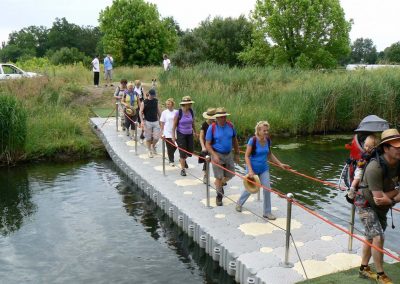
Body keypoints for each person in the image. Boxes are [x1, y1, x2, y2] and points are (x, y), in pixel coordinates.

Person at [356, 128, 400, 284]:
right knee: (377, 236)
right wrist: (395, 194)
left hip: (382, 207)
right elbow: (378, 199)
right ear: (386, 148)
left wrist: (392, 198)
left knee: (371, 236)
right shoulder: (375, 167)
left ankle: (364, 268)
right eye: (397, 146)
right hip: (366, 204)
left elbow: (384, 199)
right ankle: (381, 275)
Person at [235, 121, 291, 220]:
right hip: (252, 169)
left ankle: (267, 212)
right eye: (264, 130)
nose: (266, 132)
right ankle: (239, 203)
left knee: (267, 189)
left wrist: (280, 164)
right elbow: (247, 156)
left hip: (264, 168)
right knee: (250, 189)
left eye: (267, 130)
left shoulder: (268, 140)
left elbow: (269, 155)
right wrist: (251, 171)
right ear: (258, 130)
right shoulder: (252, 140)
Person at [205, 107, 239, 206]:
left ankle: (219, 184)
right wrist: (214, 155)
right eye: (221, 117)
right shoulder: (212, 127)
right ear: (216, 118)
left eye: (224, 116)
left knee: (231, 174)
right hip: (217, 153)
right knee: (219, 177)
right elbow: (207, 144)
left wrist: (237, 153)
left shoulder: (230, 125)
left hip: (228, 154)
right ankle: (219, 196)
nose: (223, 118)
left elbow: (234, 140)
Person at [347, 134, 379, 200]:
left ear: (374, 147)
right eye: (366, 146)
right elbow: (363, 158)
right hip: (361, 168)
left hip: (367, 169)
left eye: (370, 147)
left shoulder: (375, 154)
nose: (367, 148)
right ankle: (352, 189)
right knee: (357, 178)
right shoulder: (365, 153)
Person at [172, 96, 196, 176]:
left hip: (189, 134)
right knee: (182, 152)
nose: (190, 105)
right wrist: (173, 136)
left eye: (190, 104)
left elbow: (193, 123)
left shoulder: (191, 111)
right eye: (188, 104)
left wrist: (195, 132)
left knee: (190, 152)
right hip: (181, 134)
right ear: (184, 104)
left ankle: (182, 159)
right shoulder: (179, 112)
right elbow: (174, 125)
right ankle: (182, 169)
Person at [139, 89, 161, 158]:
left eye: (154, 95)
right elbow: (140, 112)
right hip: (147, 122)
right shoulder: (144, 102)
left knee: (157, 137)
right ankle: (149, 151)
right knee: (148, 138)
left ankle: (153, 146)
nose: (153, 96)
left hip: (155, 121)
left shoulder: (156, 101)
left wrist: (160, 119)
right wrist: (142, 121)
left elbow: (158, 110)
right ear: (149, 94)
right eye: (152, 95)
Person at [199, 108, 216, 183]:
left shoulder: (216, 124)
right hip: (207, 144)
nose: (212, 120)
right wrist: (203, 147)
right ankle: (205, 175)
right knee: (207, 160)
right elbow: (201, 136)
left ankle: (221, 178)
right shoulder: (204, 124)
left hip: (215, 144)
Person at [160, 98, 178, 166]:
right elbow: (162, 122)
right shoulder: (164, 112)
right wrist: (162, 132)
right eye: (166, 104)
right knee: (169, 146)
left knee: (176, 146)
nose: (167, 105)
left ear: (172, 104)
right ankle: (171, 160)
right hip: (167, 131)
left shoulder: (176, 112)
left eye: (169, 104)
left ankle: (170, 154)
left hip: (175, 131)